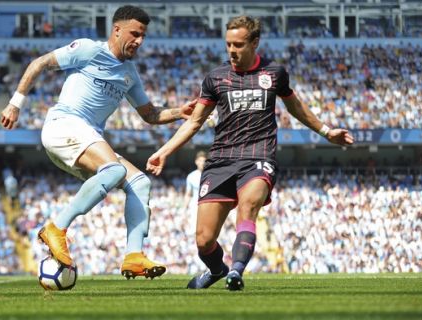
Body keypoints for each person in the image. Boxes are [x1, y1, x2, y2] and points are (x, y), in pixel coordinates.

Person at [146, 15, 354, 290]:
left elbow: (295, 106)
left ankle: (236, 271)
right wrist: (165, 151)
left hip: (259, 157)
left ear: (255, 43)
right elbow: (195, 122)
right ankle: (218, 270)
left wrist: (327, 132)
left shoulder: (274, 73)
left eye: (239, 44)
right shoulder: (216, 78)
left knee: (248, 207)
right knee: (204, 241)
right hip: (221, 160)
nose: (232, 50)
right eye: (228, 44)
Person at [1, 5, 195, 280]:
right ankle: (56, 227)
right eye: (135, 34)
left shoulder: (130, 74)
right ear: (117, 30)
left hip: (86, 137)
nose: (139, 41)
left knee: (139, 182)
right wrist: (14, 104)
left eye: (143, 36)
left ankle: (134, 255)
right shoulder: (89, 50)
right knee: (114, 169)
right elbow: (40, 63)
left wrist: (179, 112)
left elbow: (150, 115)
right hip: (64, 125)